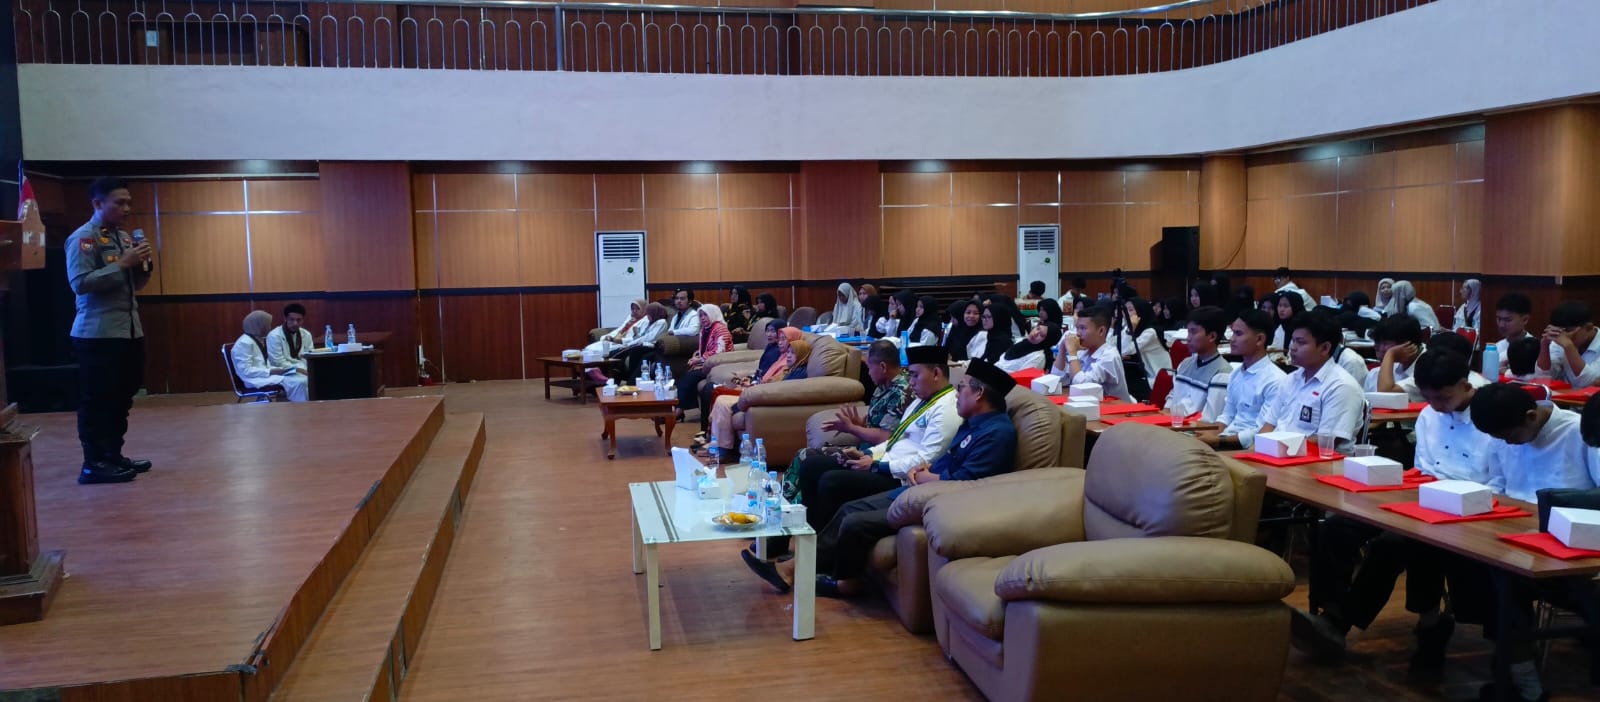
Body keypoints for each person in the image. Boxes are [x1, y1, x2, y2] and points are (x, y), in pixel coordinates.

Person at [742, 358, 1017, 597]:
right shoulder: (971, 424)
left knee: (853, 519)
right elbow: (920, 451)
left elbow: (967, 482)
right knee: (845, 505)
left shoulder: (996, 434)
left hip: (938, 499)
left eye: (962, 387)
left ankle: (833, 580)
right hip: (917, 487)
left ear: (979, 393)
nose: (958, 393)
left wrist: (923, 476)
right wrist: (896, 463)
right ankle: (797, 563)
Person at [1290, 349, 1493, 668]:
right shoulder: (1429, 415)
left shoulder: (1490, 417)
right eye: (1429, 399)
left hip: (1470, 506)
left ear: (1466, 385)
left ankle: (1340, 623)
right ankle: (1330, 609)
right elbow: (1424, 466)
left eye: (1443, 398)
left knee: (1393, 543)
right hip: (1424, 495)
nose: (1436, 406)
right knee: (1339, 525)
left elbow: (1496, 480)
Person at [785, 344, 960, 538]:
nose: (911, 382)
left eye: (915, 375)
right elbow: (895, 440)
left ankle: (820, 545)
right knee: (811, 466)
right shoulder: (922, 401)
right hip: (881, 462)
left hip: (897, 476)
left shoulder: (947, 409)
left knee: (831, 481)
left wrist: (877, 466)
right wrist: (866, 453)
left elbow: (926, 460)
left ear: (936, 373)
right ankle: (806, 538)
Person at [66, 177, 155, 485]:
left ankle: (113, 455)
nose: (127, 208)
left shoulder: (123, 237)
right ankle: (93, 464)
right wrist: (122, 264)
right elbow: (80, 283)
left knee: (122, 397)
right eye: (120, 202)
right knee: (98, 400)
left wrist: (142, 265)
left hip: (128, 331)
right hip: (97, 333)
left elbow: (135, 285)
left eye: (129, 202)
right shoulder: (83, 238)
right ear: (97, 203)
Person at [782, 339, 914, 505]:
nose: (868, 373)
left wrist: (852, 428)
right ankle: (785, 503)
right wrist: (858, 424)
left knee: (807, 459)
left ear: (883, 367)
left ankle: (791, 508)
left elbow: (886, 437)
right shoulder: (882, 386)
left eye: (870, 367)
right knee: (802, 456)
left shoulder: (900, 393)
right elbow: (875, 426)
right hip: (864, 449)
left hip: (876, 457)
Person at [1256, 313, 1365, 452]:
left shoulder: (1341, 386)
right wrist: (1255, 450)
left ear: (1325, 348)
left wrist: (1277, 449)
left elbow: (1327, 441)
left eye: (1301, 342)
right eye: (1293, 340)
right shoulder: (1291, 379)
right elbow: (1269, 425)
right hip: (1276, 453)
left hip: (1314, 460)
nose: (1293, 347)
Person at [1472, 382, 1598, 502]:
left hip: (1565, 512)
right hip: (1512, 509)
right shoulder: (1502, 430)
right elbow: (1498, 483)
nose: (1508, 443)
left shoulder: (1581, 431)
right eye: (1501, 438)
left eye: (1510, 436)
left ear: (1531, 416)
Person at [704, 339, 811, 463]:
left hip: (763, 399)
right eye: (788, 352)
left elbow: (780, 391)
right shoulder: (790, 369)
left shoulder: (800, 373)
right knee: (720, 399)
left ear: (802, 355)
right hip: (759, 394)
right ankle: (716, 446)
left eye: (793, 353)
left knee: (723, 402)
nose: (788, 355)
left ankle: (723, 451)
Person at [1196, 310, 1288, 450]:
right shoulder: (1236, 373)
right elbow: (1227, 415)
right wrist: (1210, 435)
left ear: (1259, 339)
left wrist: (1218, 440)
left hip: (1249, 448)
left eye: (1238, 334)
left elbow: (1262, 431)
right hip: (1225, 440)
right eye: (1233, 333)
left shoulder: (1276, 380)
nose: (1232, 339)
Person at [688, 322, 797, 434]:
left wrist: (752, 383)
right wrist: (750, 378)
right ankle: (708, 433)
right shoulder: (774, 351)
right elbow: (762, 373)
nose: (770, 335)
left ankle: (707, 433)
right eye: (767, 331)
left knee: (711, 390)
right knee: (709, 388)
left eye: (774, 332)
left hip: (755, 392)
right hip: (753, 387)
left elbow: (770, 382)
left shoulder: (784, 360)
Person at [1054, 305, 1133, 402]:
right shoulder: (1082, 351)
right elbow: (1058, 381)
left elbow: (1082, 387)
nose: (1078, 333)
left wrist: (1072, 353)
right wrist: (1062, 349)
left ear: (1101, 331)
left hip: (1118, 408)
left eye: (1083, 328)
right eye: (1077, 328)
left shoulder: (1110, 356)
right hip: (1090, 405)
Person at [1164, 306, 1231, 421]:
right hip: (1173, 423)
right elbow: (1172, 398)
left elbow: (1209, 420)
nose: (1188, 338)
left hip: (1194, 429)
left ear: (1212, 336)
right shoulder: (1185, 364)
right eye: (1188, 332)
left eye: (1193, 332)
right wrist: (1163, 415)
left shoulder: (1222, 373)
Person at [232, 310, 309, 402]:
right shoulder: (244, 343)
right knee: (300, 382)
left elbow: (263, 364)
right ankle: (299, 407)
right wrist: (271, 371)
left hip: (264, 374)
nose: (269, 327)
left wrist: (285, 370)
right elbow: (246, 371)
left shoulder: (256, 339)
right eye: (267, 324)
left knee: (302, 377)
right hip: (254, 379)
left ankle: (295, 404)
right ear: (260, 325)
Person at [600, 302, 670, 383]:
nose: (647, 316)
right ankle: (613, 377)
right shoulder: (649, 322)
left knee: (629, 352)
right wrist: (634, 335)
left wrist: (630, 344)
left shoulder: (661, 322)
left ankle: (629, 381)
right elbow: (639, 336)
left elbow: (649, 338)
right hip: (639, 344)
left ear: (655, 313)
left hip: (649, 346)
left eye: (649, 314)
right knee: (614, 353)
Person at [1537, 300, 1600, 388]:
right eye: (1560, 331)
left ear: (1588, 327)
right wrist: (1544, 346)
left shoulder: (1565, 341)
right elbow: (1544, 377)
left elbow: (1591, 382)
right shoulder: (1559, 336)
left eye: (1569, 331)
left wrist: (1569, 347)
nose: (1564, 336)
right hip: (1565, 395)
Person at [1366, 315, 1425, 400]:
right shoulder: (1374, 373)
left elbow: (1385, 395)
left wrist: (1390, 354)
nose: (1378, 348)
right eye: (1377, 342)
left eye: (1385, 343)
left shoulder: (1428, 368)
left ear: (1406, 344)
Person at [1123, 297, 1172, 386]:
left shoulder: (1150, 332)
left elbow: (1125, 351)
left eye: (1130, 310)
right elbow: (1116, 345)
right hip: (1146, 376)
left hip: (1159, 378)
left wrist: (1130, 328)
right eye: (1125, 310)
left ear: (1141, 312)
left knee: (1126, 382)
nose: (1125, 313)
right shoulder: (1132, 328)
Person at [266, 303, 316, 374]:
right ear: (285, 318)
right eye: (292, 319)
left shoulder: (306, 334)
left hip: (304, 369)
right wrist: (298, 369)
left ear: (303, 320)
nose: (295, 323)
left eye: (299, 320)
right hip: (283, 371)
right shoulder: (274, 335)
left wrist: (306, 369)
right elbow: (277, 362)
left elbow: (309, 356)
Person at [1493, 292, 1535, 376]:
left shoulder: (1534, 348)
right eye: (1499, 319)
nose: (1501, 325)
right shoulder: (1496, 347)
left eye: (1507, 320)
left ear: (1525, 319)